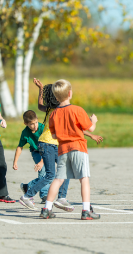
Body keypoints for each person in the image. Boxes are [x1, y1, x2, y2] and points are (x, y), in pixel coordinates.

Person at [40, 79, 100, 220]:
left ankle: (46, 208)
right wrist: (94, 121)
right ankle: (86, 210)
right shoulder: (77, 110)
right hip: (78, 147)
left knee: (58, 179)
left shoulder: (54, 114)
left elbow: (54, 134)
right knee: (84, 179)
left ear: (56, 97)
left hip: (62, 149)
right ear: (70, 93)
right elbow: (90, 128)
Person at [12, 110, 48, 204]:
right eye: (32, 124)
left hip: (47, 150)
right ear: (26, 123)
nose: (35, 125)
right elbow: (20, 147)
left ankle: (28, 186)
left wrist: (43, 161)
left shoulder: (42, 128)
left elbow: (48, 146)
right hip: (36, 152)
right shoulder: (25, 133)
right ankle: (44, 195)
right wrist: (15, 162)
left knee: (51, 173)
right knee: (43, 171)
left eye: (36, 122)